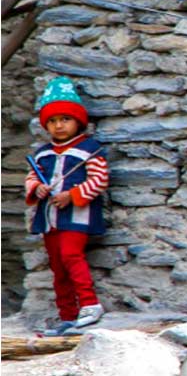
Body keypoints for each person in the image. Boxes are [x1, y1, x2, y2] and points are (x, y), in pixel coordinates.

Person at [23, 76, 108, 336]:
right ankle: (68, 315)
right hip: (50, 219)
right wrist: (37, 188)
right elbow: (31, 177)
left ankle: (90, 305)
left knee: (71, 256)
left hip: (76, 217)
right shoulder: (43, 153)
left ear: (78, 121)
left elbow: (100, 180)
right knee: (58, 265)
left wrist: (72, 195)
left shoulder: (89, 150)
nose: (59, 126)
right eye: (52, 121)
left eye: (65, 119)